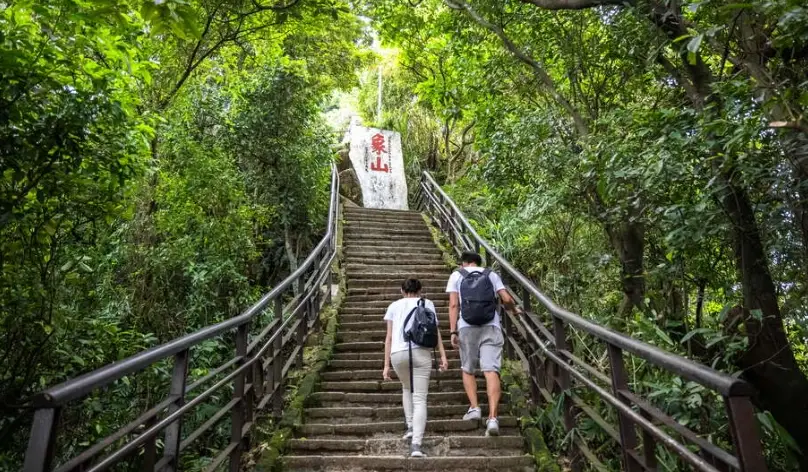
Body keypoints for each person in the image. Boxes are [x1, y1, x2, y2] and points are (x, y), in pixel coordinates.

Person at [446, 251, 522, 436]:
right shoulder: (491, 274)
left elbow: (454, 305)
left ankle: (474, 408)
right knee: (491, 370)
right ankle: (493, 418)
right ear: (478, 262)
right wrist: (513, 311)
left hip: (466, 326)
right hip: (491, 326)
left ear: (464, 263)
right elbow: (506, 299)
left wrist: (453, 331)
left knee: (468, 369)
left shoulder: (457, 275)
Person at [382, 278, 449, 457]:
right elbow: (435, 332)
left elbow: (388, 337)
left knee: (406, 387)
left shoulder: (393, 306)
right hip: (421, 353)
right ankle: (416, 445)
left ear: (401, 290)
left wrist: (386, 365)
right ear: (420, 290)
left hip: (397, 354)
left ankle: (411, 426)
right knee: (419, 398)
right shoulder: (428, 303)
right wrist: (442, 355)